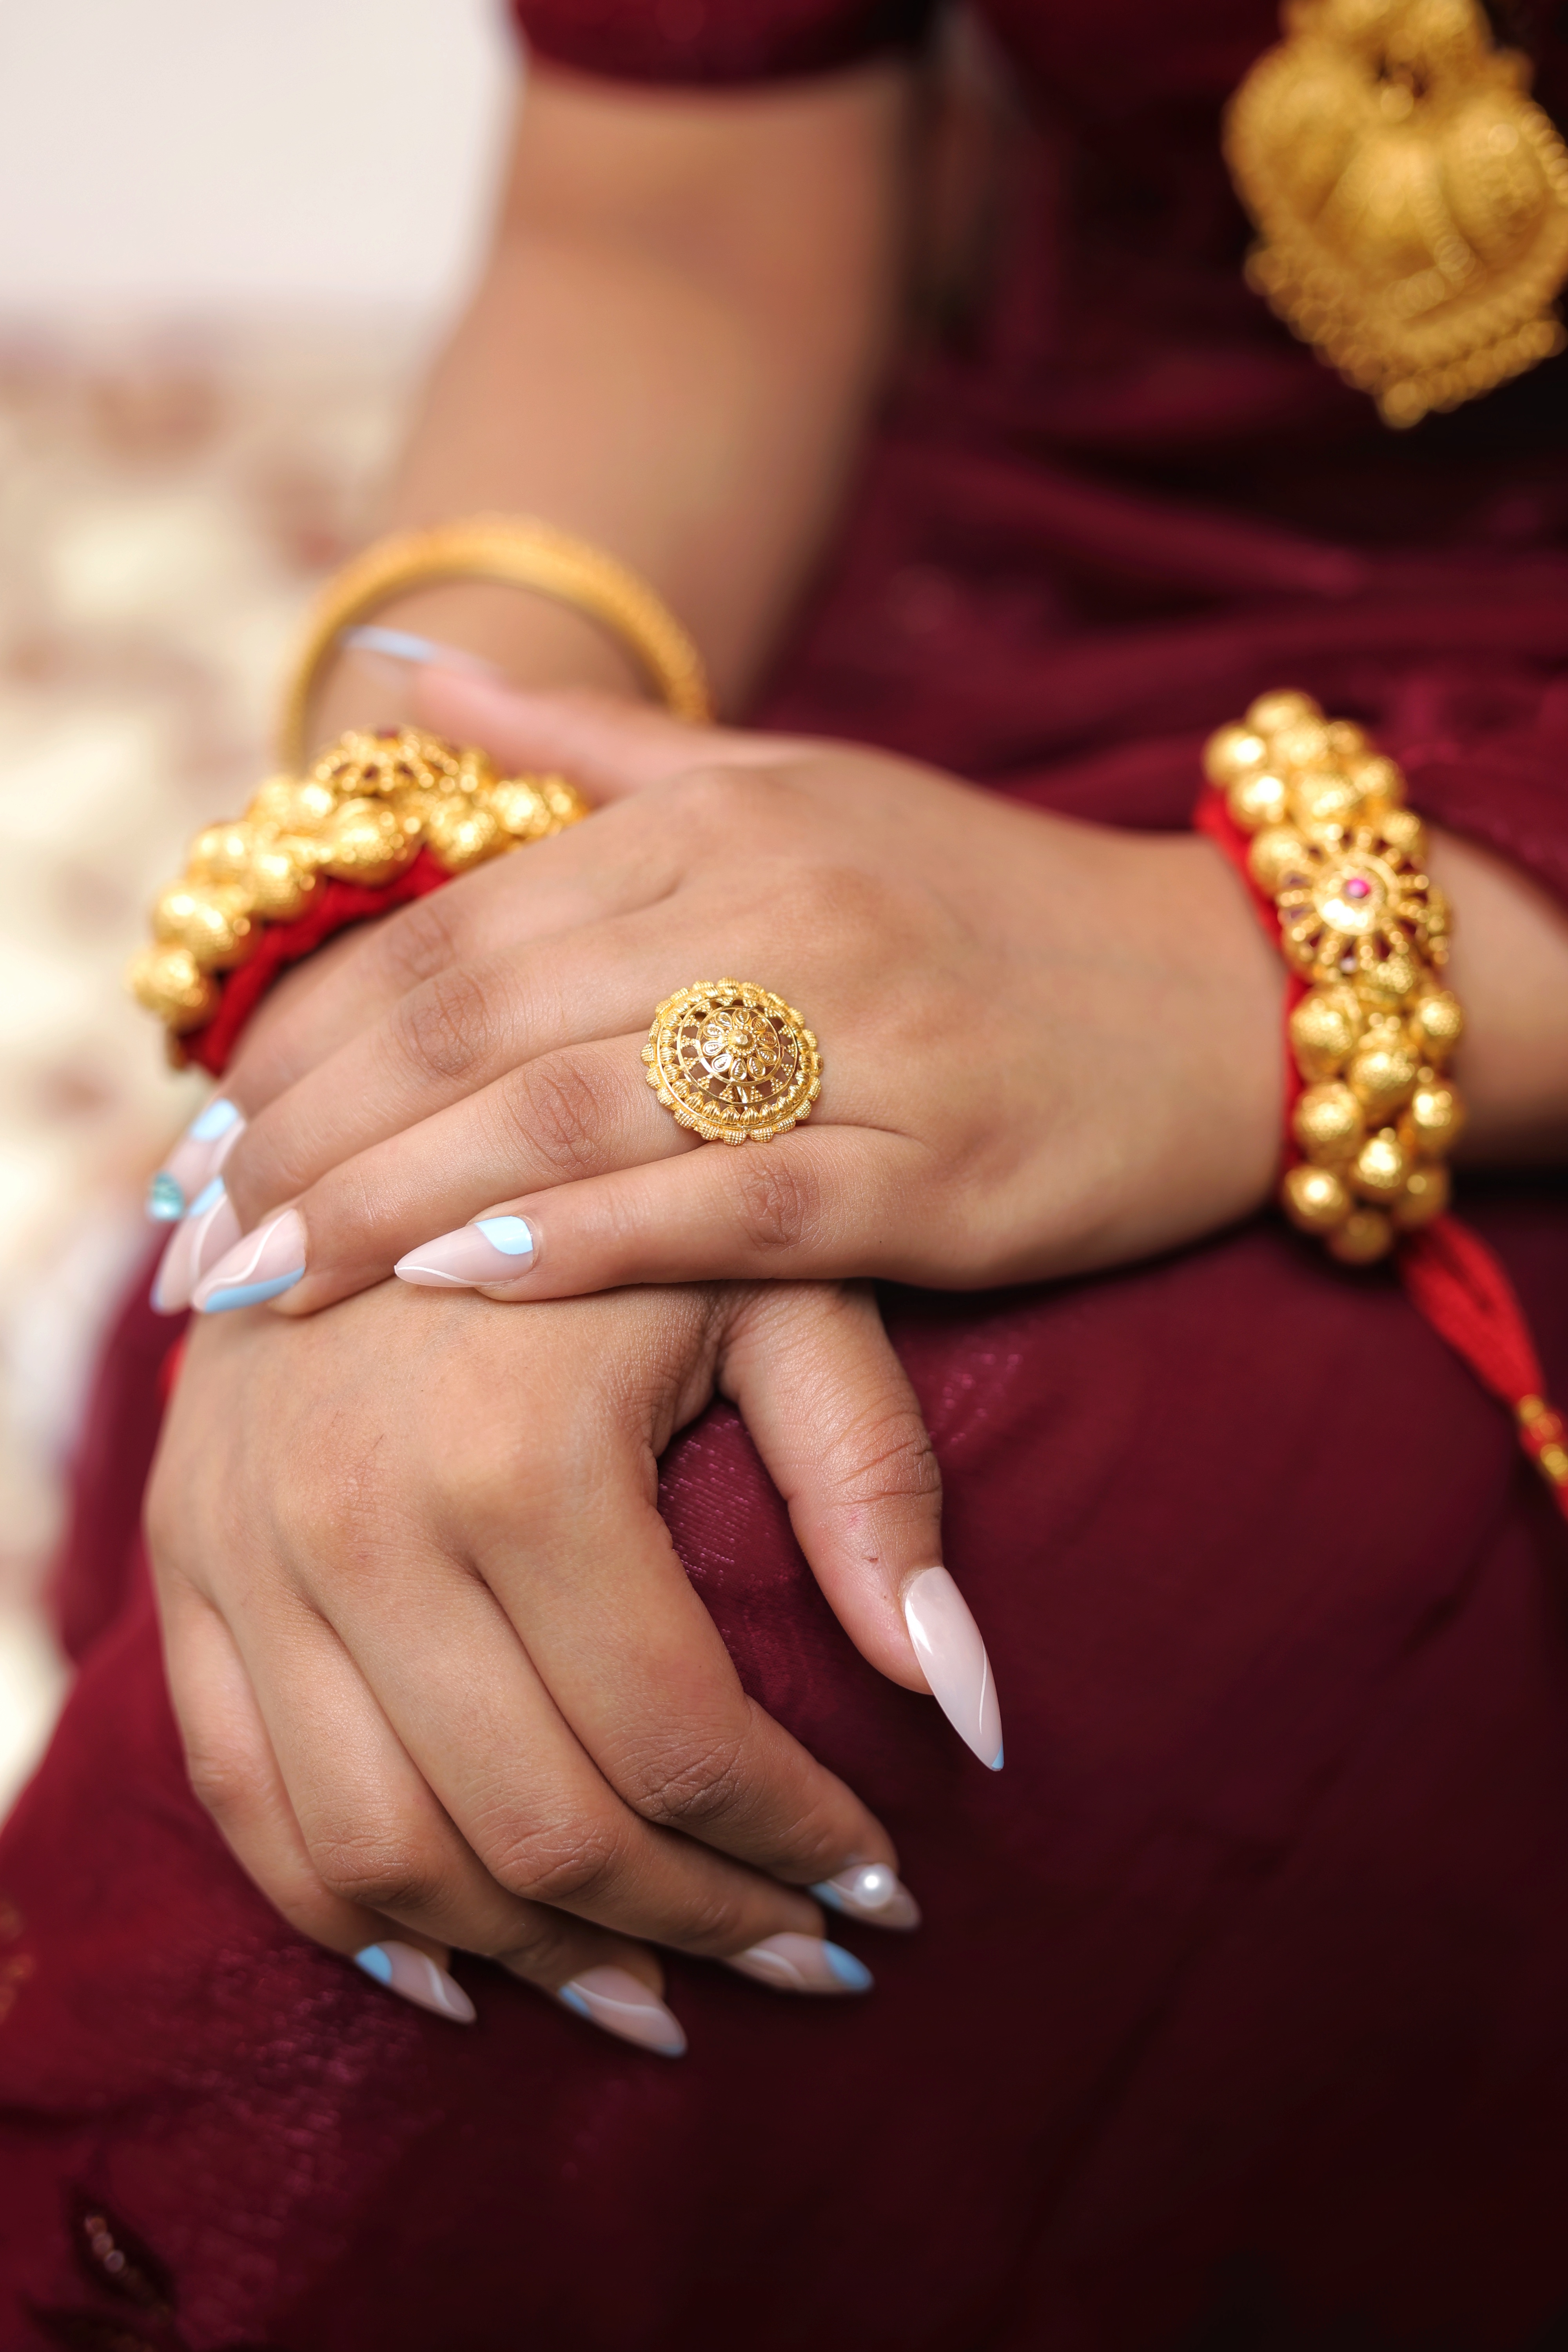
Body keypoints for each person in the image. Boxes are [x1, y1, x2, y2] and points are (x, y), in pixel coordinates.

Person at [5, 0, 1568, 2343]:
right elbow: (669, 235)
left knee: (775, 1628)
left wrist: (1261, 971)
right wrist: (423, 921)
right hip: (1000, 619)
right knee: (416, 1449)